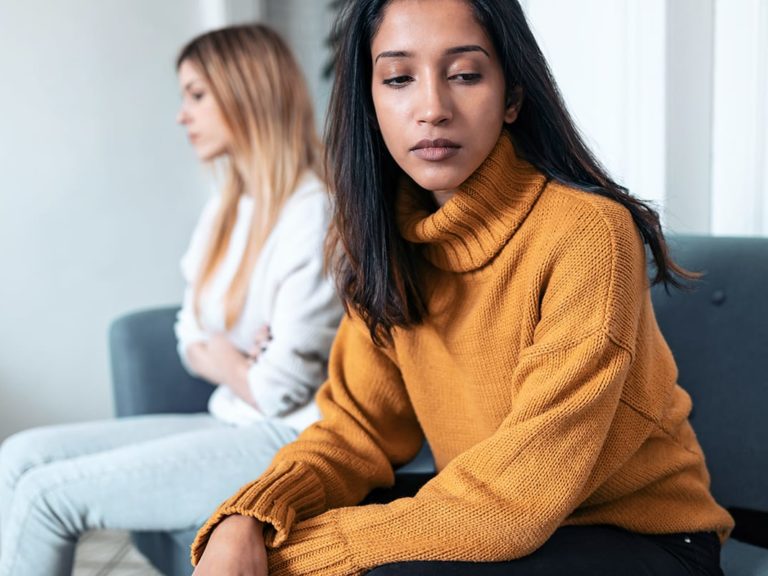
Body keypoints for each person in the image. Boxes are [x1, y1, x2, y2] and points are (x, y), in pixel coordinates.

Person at [190, 1, 734, 575]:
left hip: (641, 535)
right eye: (399, 78)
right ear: (370, 103)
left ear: (512, 99)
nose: (432, 108)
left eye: (465, 74)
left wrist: (289, 556)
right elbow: (356, 432)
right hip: (497, 522)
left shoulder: (586, 235)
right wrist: (248, 519)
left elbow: (517, 499)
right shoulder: (384, 244)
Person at [0, 23, 342, 576]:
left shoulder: (313, 213)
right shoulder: (227, 207)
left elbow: (278, 391)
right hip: (229, 416)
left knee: (46, 498)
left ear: (246, 92)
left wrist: (228, 360)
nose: (182, 114)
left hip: (288, 438)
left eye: (197, 95)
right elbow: (188, 332)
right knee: (16, 456)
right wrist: (232, 361)